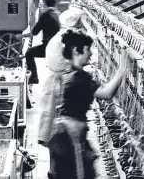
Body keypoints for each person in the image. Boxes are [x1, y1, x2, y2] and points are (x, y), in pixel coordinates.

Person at [46, 30, 129, 179]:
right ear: (76, 51)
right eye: (87, 49)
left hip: (63, 136)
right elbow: (107, 93)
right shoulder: (80, 78)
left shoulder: (67, 72)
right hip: (71, 139)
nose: (90, 53)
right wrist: (123, 68)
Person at [38, 6, 86, 146]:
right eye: (78, 24)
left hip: (53, 79)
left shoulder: (59, 37)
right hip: (59, 81)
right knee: (56, 120)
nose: (79, 27)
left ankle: (51, 143)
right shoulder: (66, 40)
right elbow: (69, 62)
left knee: (50, 116)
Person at [15, 0, 61, 84]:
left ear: (45, 3)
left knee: (29, 53)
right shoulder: (56, 13)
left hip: (48, 47)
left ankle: (33, 78)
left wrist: (20, 36)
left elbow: (34, 33)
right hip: (56, 46)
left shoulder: (45, 15)